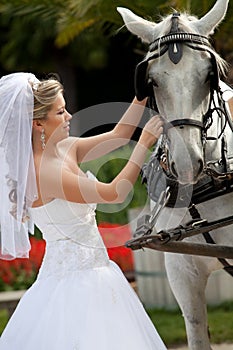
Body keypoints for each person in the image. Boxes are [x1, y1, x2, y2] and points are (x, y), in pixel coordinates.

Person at [0, 72, 166, 350]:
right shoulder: (44, 173)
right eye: (61, 112)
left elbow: (117, 135)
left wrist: (141, 95)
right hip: (74, 284)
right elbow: (115, 192)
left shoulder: (65, 148)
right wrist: (143, 143)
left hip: (99, 271)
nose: (70, 117)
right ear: (38, 123)